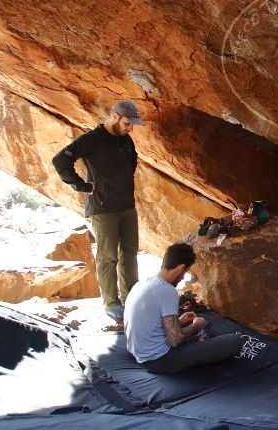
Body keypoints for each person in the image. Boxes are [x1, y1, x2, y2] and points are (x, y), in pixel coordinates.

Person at [52, 101, 143, 321]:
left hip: (127, 206)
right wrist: (81, 186)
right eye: (127, 123)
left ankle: (130, 299)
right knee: (108, 257)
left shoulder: (126, 140)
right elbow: (60, 160)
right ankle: (112, 304)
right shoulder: (91, 140)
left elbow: (132, 161)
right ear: (113, 116)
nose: (130, 128)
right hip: (103, 209)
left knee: (129, 254)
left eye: (132, 125)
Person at [123, 243, 242, 374]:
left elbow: (148, 321)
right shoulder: (167, 290)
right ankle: (196, 344)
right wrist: (196, 326)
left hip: (139, 354)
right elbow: (175, 340)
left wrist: (178, 322)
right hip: (160, 361)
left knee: (192, 333)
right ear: (180, 268)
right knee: (234, 342)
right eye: (185, 272)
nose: (182, 278)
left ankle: (196, 342)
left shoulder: (142, 284)